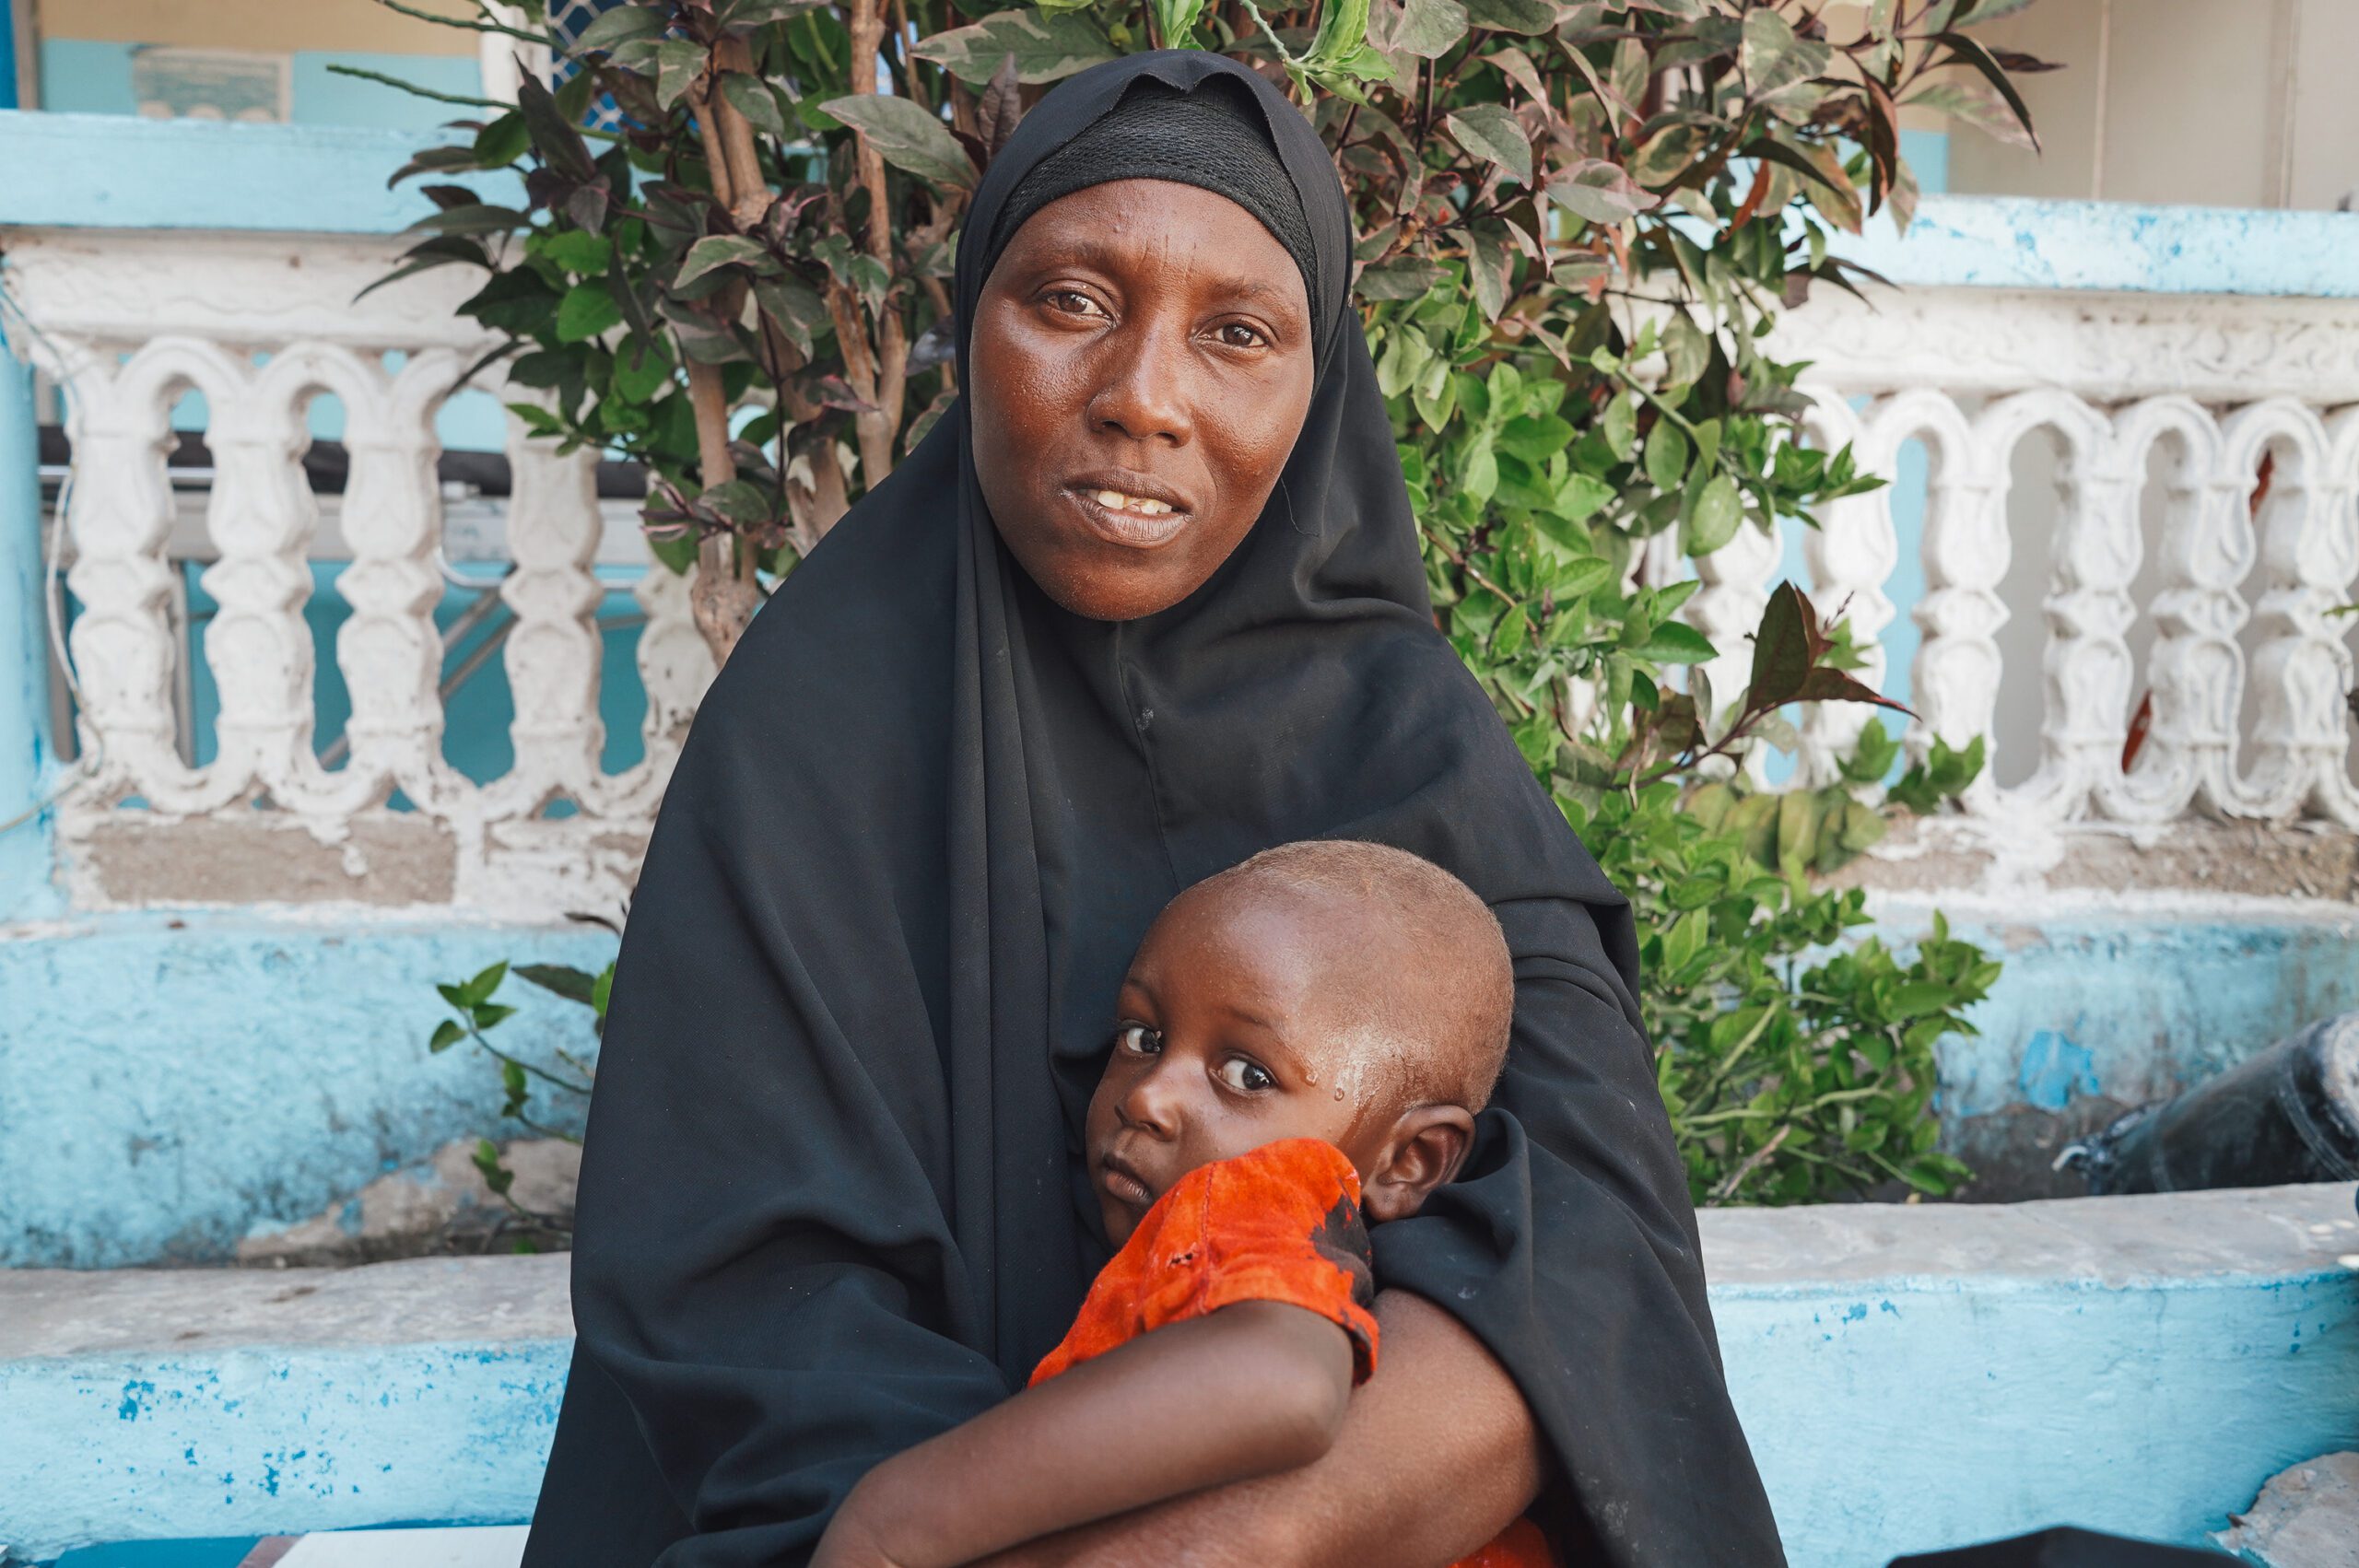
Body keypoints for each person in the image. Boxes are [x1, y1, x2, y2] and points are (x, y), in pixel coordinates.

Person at [522, 49, 1784, 1568]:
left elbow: (1584, 1284)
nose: (1140, 399)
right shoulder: (815, 728)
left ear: (1319, 393)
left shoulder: (1414, 746)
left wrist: (1198, 1552)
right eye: (1070, 302)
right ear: (973, 320)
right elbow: (744, 1310)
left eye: (1238, 332)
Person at [811, 841, 1554, 1568]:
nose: (1148, 1096)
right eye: (1143, 1036)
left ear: (1408, 1161)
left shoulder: (1254, 1190)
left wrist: (895, 1514)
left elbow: (1285, 1382)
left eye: (1246, 1074)